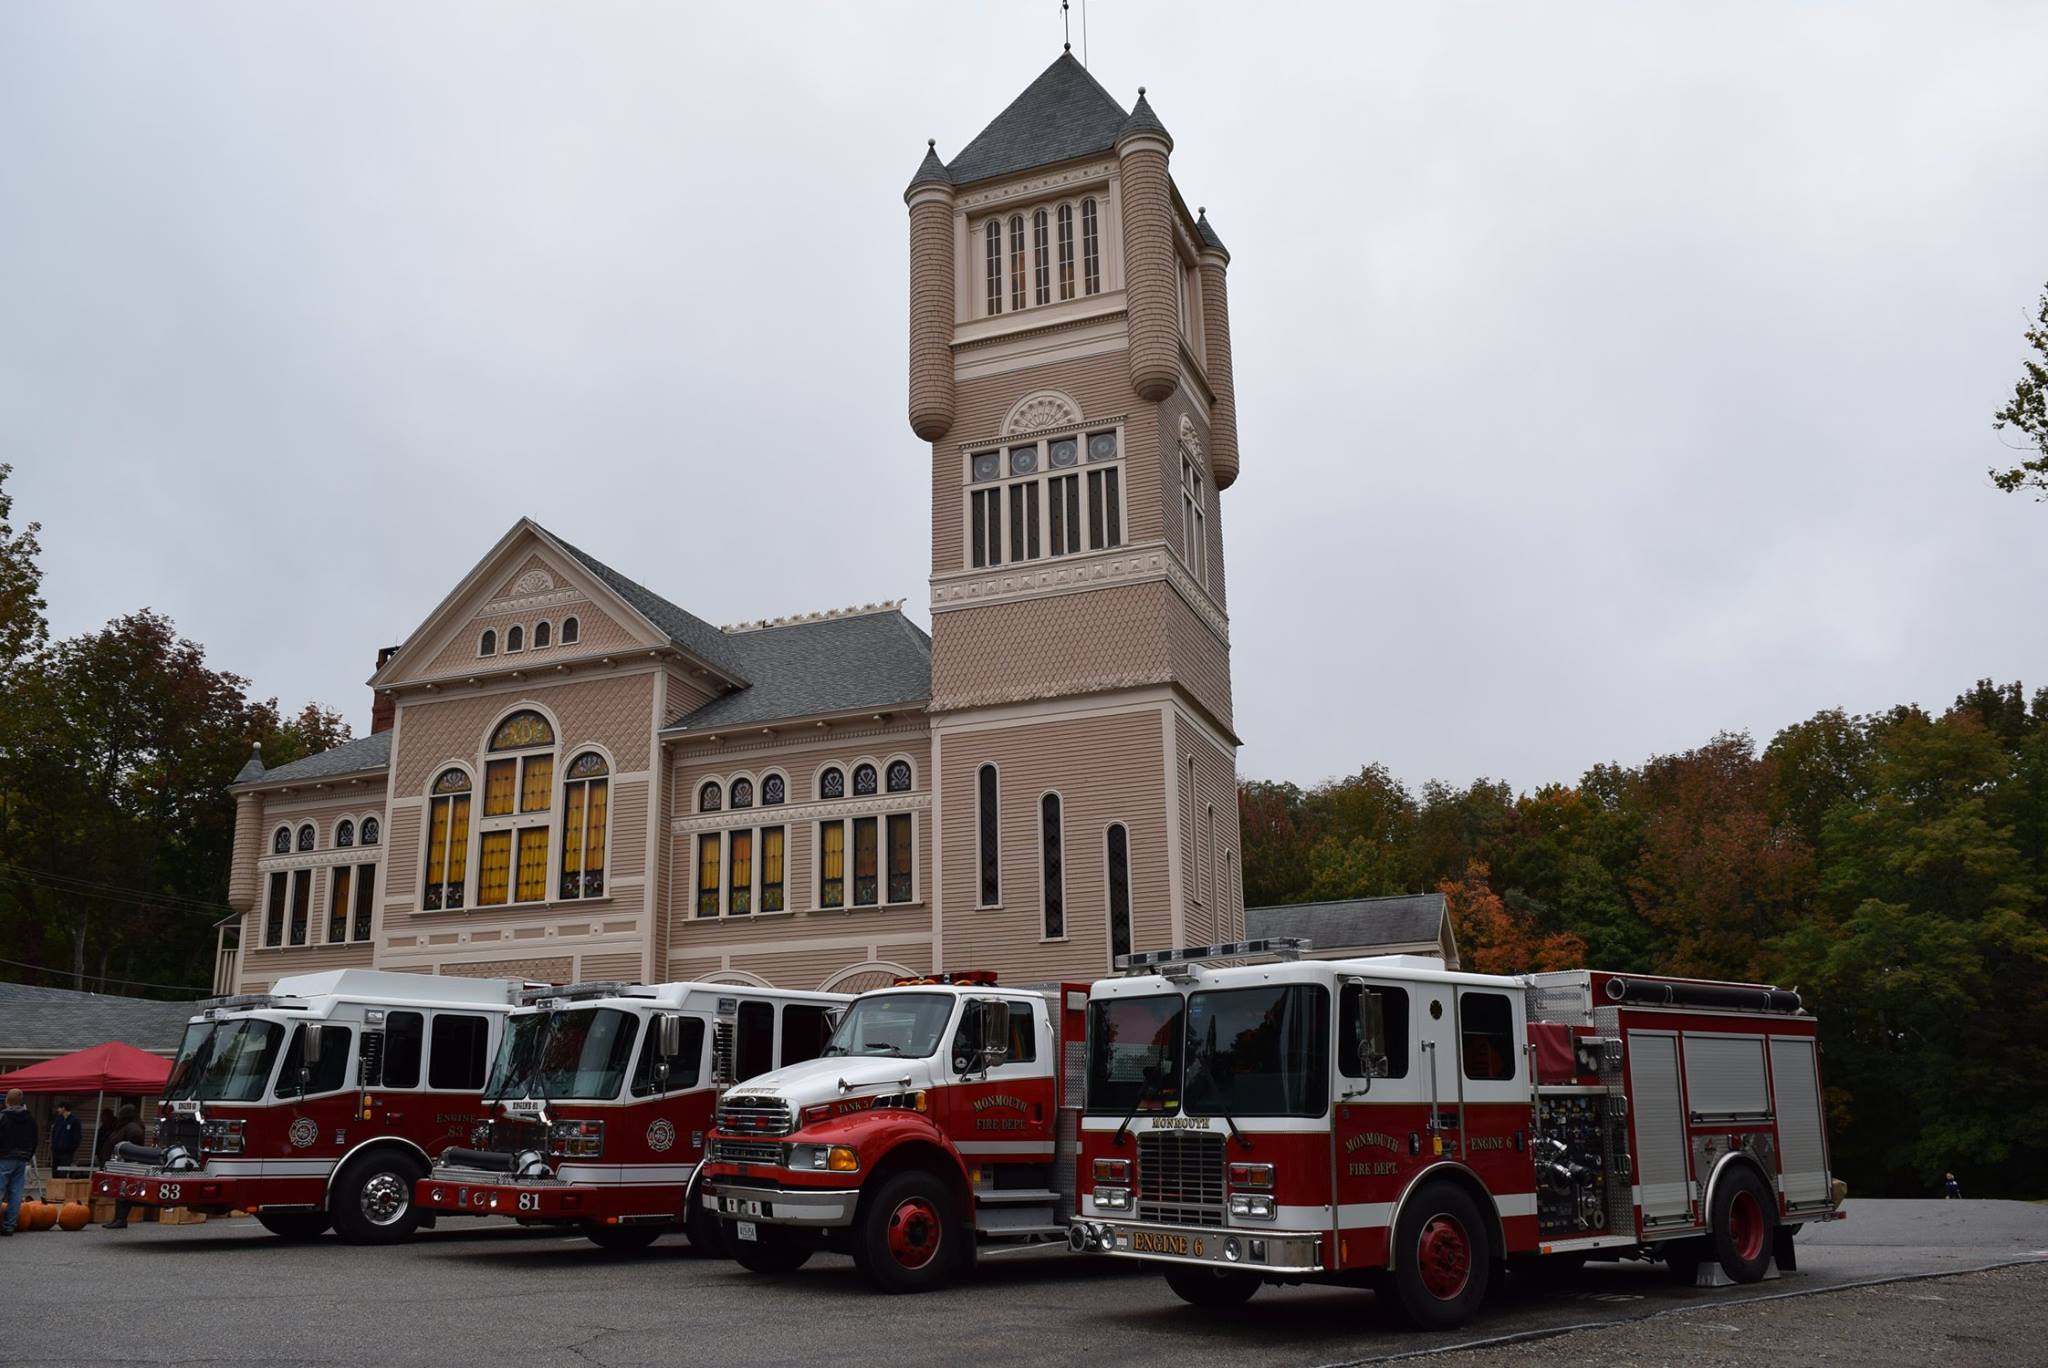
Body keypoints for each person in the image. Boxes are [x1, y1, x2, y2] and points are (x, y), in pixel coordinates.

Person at [100, 1105, 146, 1229]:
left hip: (125, 1165)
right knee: (119, 1192)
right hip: (119, 1164)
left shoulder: (132, 1128)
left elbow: (132, 1145)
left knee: (123, 1192)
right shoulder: (126, 1126)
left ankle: (121, 1218)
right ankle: (118, 1218)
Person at [0, 1087, 36, 1236]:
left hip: (4, 1156)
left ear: (7, 1101)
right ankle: (10, 1225)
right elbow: (35, 1139)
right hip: (22, 1158)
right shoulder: (30, 1119)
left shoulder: (3, 1117)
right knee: (16, 1192)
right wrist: (28, 1155)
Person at [50, 1099, 82, 1178]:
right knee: (55, 1173)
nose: (58, 1110)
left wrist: (70, 1150)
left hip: (66, 1154)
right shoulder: (58, 1120)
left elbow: (77, 1138)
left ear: (63, 1108)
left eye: (59, 1108)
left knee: (62, 1173)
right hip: (56, 1152)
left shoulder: (74, 1121)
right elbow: (54, 1134)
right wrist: (53, 1146)